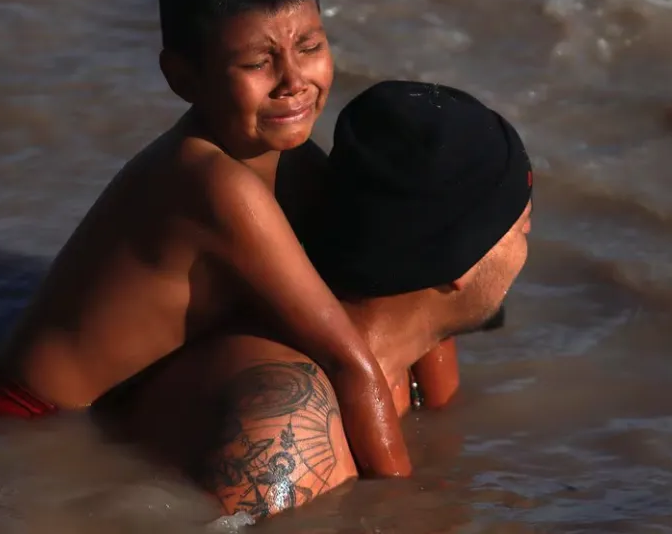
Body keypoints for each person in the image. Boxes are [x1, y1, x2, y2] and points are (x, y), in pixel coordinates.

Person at [0, 0, 412, 479]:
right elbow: (350, 362)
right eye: (257, 63)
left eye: (310, 46)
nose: (293, 80)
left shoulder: (290, 158)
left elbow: (392, 267)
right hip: (31, 419)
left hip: (123, 392)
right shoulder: (213, 184)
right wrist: (406, 506)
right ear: (183, 77)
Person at [121, 80, 534, 520]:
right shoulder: (289, 431)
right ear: (461, 264)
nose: (527, 248)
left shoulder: (414, 354)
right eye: (522, 227)